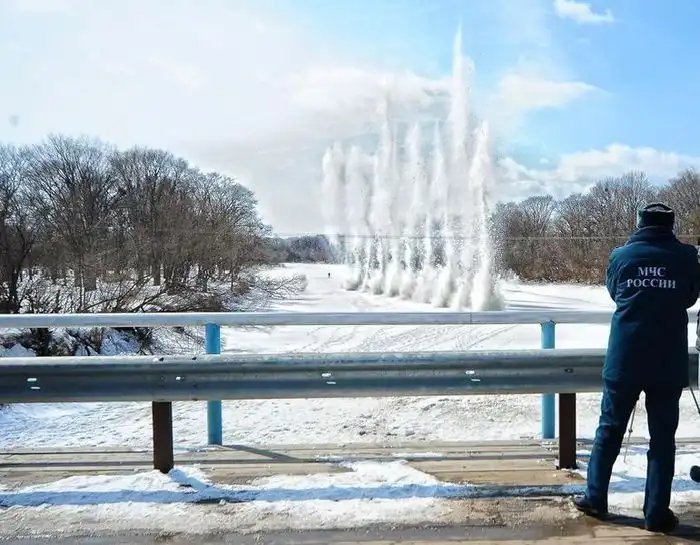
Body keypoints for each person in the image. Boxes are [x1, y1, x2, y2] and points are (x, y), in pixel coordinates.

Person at [574, 203, 700, 533]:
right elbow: (690, 296)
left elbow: (615, 292)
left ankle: (595, 497)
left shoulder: (621, 256)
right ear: (670, 225)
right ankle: (656, 513)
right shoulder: (686, 257)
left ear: (640, 224)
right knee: (662, 440)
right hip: (667, 361)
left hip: (625, 358)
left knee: (609, 429)